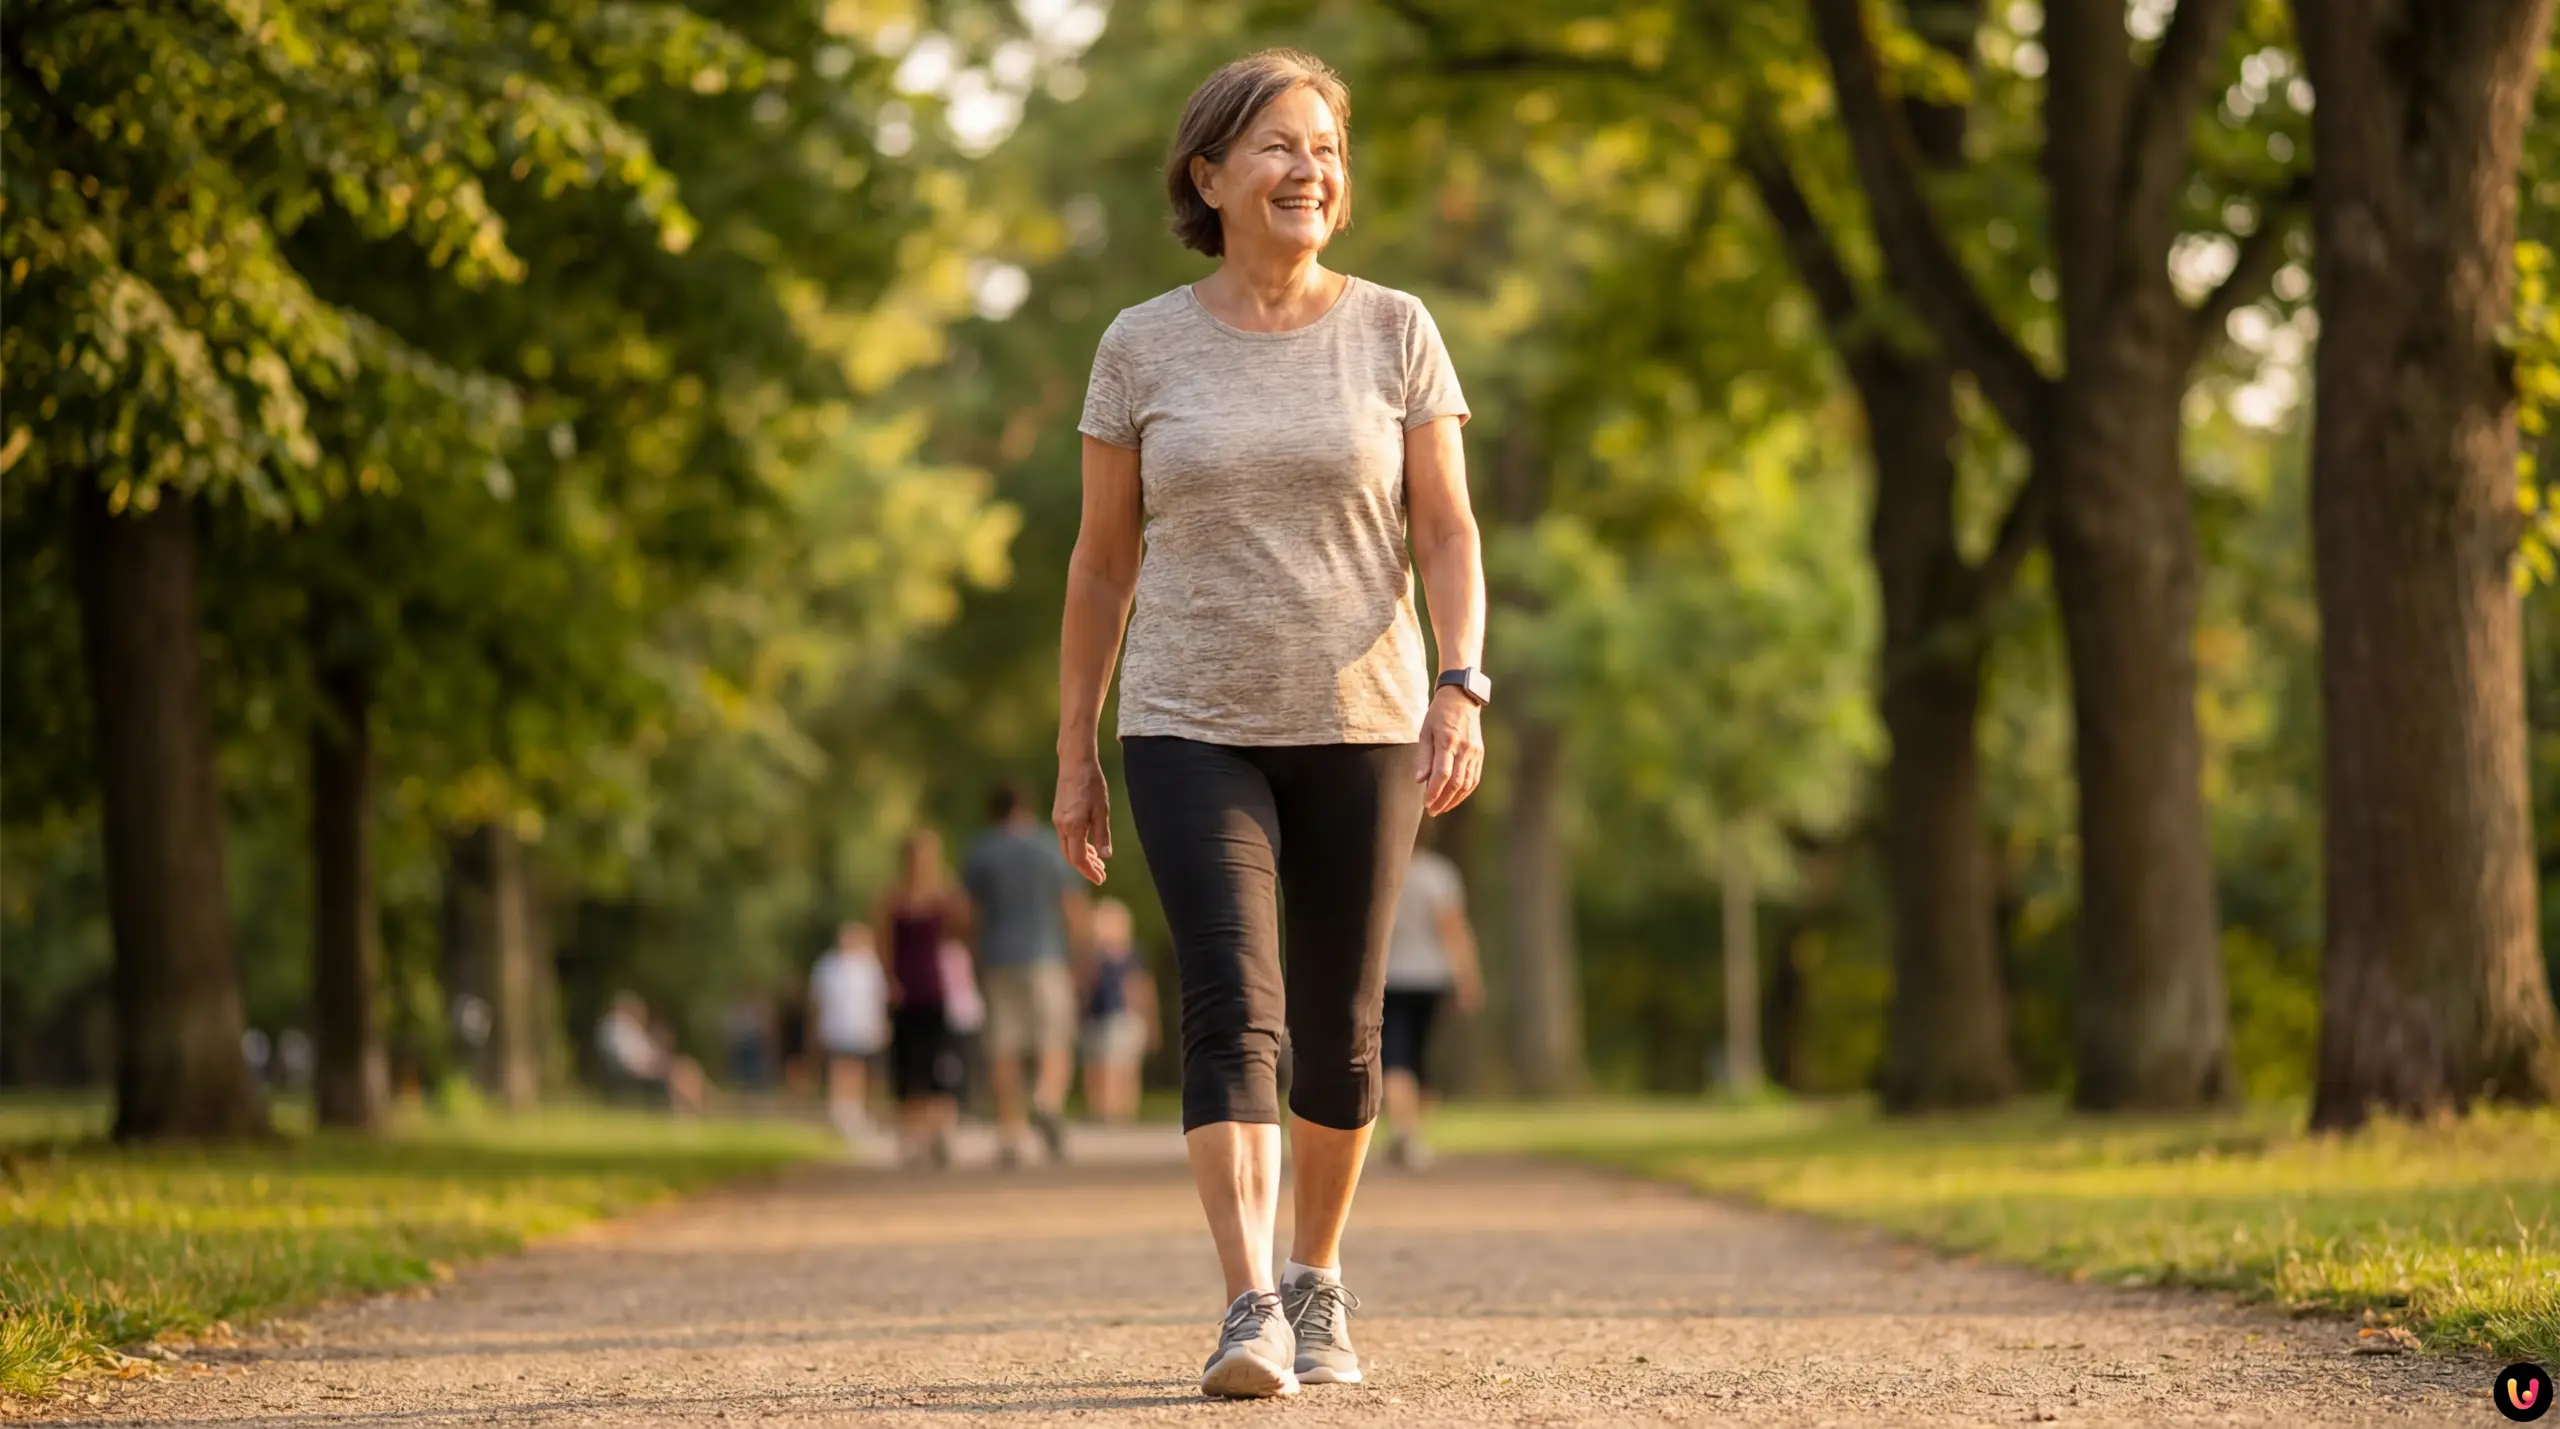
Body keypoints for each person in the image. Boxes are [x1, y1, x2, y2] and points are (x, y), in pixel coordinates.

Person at [1053, 48, 1489, 1400]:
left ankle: (1317, 1277)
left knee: (1343, 1028)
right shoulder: (1140, 344)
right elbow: (1102, 563)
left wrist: (1461, 680)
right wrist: (1076, 748)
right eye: (1279, 147)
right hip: (1189, 719)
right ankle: (1247, 1305)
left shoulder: (1396, 329)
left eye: (1325, 150)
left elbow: (1448, 526)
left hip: (1361, 715)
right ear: (1210, 175)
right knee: (1230, 1009)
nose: (1311, 170)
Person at [960, 782, 1087, 1165]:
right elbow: (1072, 908)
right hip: (1047, 957)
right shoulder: (1050, 847)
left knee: (1004, 1047)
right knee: (1054, 1039)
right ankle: (1046, 1098)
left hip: (999, 960)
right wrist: (1082, 957)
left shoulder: (981, 852)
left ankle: (1010, 1133)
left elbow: (969, 917)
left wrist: (972, 958)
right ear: (1027, 807)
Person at [1379, 822, 1482, 1170]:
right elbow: (1452, 930)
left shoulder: (1382, 869)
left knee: (1394, 1057)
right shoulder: (1438, 875)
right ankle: (1410, 1133)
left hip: (1390, 977)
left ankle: (1404, 1131)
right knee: (1418, 1059)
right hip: (1429, 978)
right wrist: (1467, 977)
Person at [877, 829, 968, 1168]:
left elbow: (964, 932)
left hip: (938, 988)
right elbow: (883, 942)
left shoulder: (945, 896)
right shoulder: (892, 898)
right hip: (905, 989)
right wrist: (888, 980)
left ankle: (940, 1131)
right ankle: (911, 1135)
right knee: (906, 1065)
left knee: (940, 1064)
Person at [1077, 897, 1159, 1124]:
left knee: (1122, 1067)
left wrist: (1149, 1022)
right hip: (1096, 1017)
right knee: (1096, 1066)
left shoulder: (1132, 957)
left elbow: (1140, 989)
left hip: (1123, 1017)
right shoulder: (1092, 958)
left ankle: (1121, 1112)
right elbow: (1083, 988)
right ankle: (1101, 1110)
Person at [809, 923, 890, 1136]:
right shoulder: (829, 965)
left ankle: (854, 1109)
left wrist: (880, 1024)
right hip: (837, 1027)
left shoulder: (870, 965)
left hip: (862, 1027)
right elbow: (819, 999)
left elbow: (877, 999)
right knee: (841, 1067)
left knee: (858, 1068)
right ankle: (840, 1109)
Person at [596, 991, 705, 1113]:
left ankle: (695, 1107)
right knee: (681, 1071)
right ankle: (690, 1111)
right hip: (636, 1070)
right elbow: (631, 1058)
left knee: (686, 1067)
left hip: (644, 1066)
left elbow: (646, 1051)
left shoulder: (628, 1028)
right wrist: (654, 1062)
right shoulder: (618, 1029)